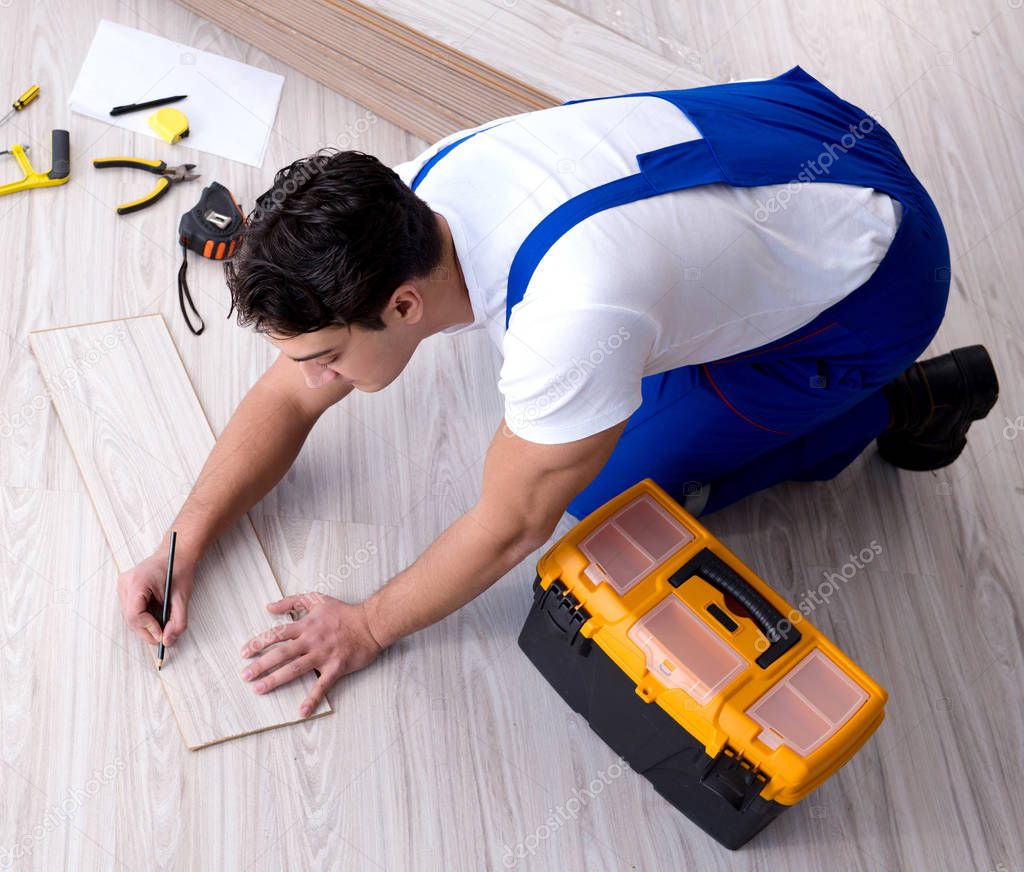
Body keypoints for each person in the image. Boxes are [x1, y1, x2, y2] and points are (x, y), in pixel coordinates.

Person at [116, 66, 998, 718]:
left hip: (876, 276)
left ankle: (904, 397)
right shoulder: (417, 195)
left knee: (612, 498)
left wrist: (367, 626)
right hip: (797, 133)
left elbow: (511, 526)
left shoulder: (568, 321)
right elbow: (292, 394)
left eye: (326, 355)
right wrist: (183, 540)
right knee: (606, 397)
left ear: (403, 304)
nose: (312, 378)